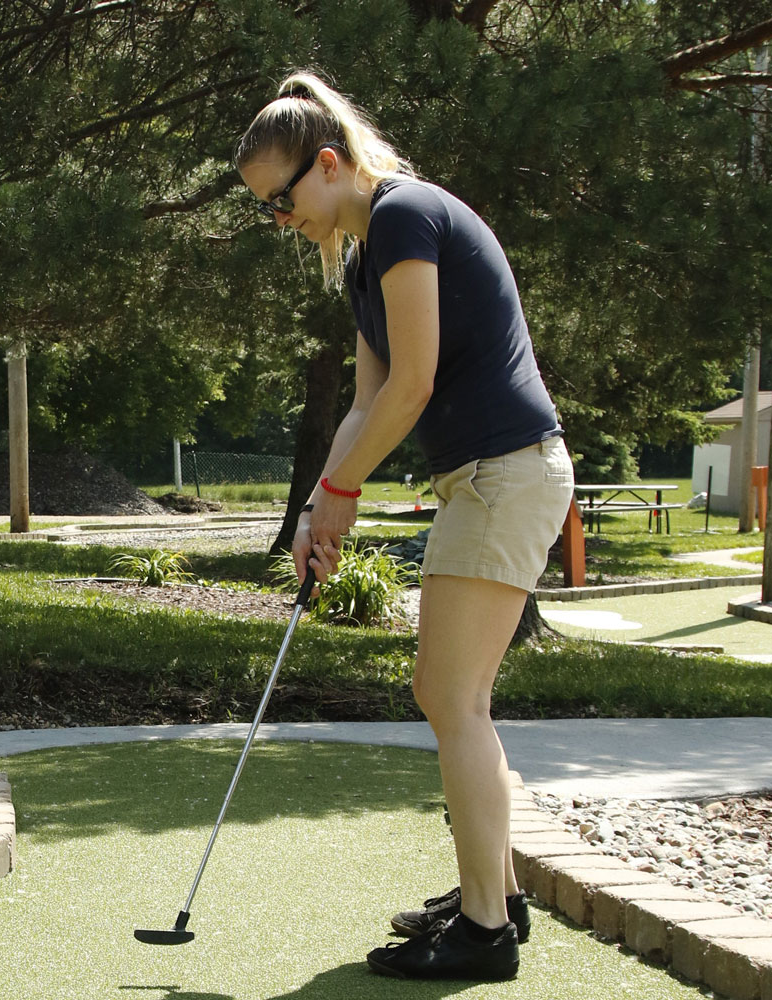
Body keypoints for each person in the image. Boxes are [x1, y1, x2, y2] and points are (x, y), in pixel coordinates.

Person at [237, 71, 574, 982]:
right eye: (266, 209)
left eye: (281, 198)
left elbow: (419, 378)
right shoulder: (360, 259)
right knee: (455, 696)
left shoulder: (404, 215)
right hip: (484, 479)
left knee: (447, 696)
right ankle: (493, 896)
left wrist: (344, 491)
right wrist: (319, 502)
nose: (280, 219)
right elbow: (371, 397)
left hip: (508, 473)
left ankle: (486, 932)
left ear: (330, 163)